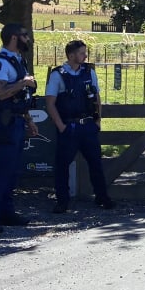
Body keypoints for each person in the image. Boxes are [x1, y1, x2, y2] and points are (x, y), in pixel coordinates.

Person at [0, 23, 39, 233]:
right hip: (4, 122)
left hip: (17, 120)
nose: (28, 39)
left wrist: (29, 120)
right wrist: (23, 82)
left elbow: (21, 98)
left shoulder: (17, 60)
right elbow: (0, 93)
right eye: (25, 35)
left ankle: (6, 212)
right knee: (2, 171)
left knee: (12, 172)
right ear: (14, 37)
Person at [45, 40, 114, 213]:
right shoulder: (57, 75)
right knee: (62, 166)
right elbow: (50, 103)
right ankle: (63, 201)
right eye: (82, 53)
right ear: (71, 55)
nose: (85, 56)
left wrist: (98, 121)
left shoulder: (89, 72)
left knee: (96, 163)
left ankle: (102, 197)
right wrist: (61, 126)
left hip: (88, 125)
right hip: (69, 127)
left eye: (85, 52)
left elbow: (96, 98)